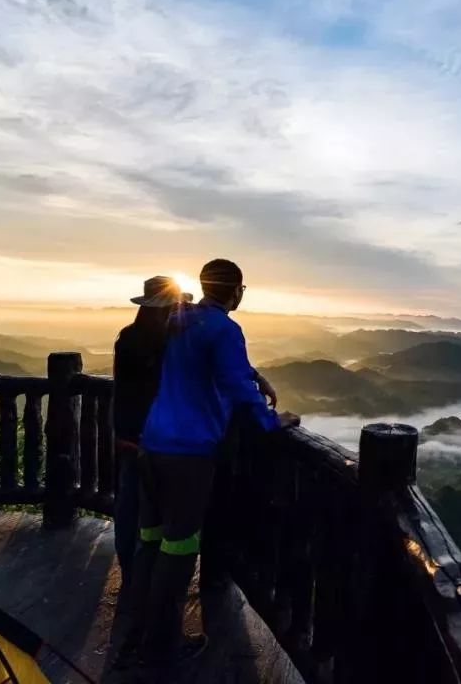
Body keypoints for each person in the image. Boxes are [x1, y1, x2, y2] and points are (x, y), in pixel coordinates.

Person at [130, 259, 299, 675]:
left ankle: (138, 631)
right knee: (180, 549)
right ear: (236, 290)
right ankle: (160, 648)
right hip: (188, 454)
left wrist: (254, 374)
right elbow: (236, 388)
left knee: (150, 541)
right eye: (242, 289)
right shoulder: (224, 328)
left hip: (151, 444)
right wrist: (272, 420)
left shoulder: (178, 319)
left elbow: (218, 367)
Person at [112, 276, 192, 588]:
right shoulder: (170, 343)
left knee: (131, 506)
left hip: (131, 434)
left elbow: (124, 391)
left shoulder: (128, 338)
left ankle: (133, 574)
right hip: (162, 438)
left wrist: (121, 433)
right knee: (160, 511)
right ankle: (154, 580)